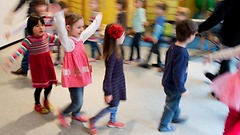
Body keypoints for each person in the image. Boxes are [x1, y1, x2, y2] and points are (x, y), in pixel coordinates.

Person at [51, 4, 102, 127]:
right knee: (77, 101)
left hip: (81, 75)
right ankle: (63, 112)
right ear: (68, 27)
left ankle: (76, 114)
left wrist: (97, 20)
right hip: (73, 77)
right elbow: (62, 32)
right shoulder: (68, 44)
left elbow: (89, 30)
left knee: (81, 99)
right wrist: (59, 16)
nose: (81, 29)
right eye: (78, 27)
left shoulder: (80, 39)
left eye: (82, 27)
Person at [3, 14, 59, 114]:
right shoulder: (29, 40)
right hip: (37, 67)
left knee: (49, 85)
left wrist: (69, 41)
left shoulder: (47, 36)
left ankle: (46, 100)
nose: (41, 27)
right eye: (37, 26)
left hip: (47, 65)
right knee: (39, 87)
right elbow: (19, 51)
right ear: (30, 28)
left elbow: (59, 40)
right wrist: (10, 60)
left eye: (42, 25)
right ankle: (37, 104)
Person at [159, 20, 198, 132]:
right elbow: (178, 73)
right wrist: (182, 88)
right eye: (195, 34)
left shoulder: (172, 47)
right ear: (191, 37)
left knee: (174, 101)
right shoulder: (182, 53)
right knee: (171, 104)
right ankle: (164, 125)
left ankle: (175, 117)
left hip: (167, 81)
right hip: (174, 85)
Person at [88, 23, 126, 135]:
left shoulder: (117, 50)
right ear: (117, 37)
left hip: (119, 82)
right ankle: (93, 120)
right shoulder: (112, 55)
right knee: (112, 106)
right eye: (123, 34)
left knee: (116, 103)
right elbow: (108, 75)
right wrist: (108, 92)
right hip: (112, 85)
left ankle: (112, 121)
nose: (124, 36)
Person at [8, 0, 56, 76]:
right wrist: (11, 32)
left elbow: (58, 25)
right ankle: (26, 69)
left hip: (47, 45)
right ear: (35, 7)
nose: (41, 8)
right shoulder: (32, 19)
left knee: (46, 61)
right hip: (38, 43)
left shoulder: (50, 17)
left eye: (43, 6)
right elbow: (22, 25)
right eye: (39, 6)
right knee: (29, 49)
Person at [198, 0, 240, 81]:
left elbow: (219, 15)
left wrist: (200, 28)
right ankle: (218, 77)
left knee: (225, 59)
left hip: (233, 33)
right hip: (235, 34)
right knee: (226, 59)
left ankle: (220, 88)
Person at [203, 45, 240, 135]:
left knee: (232, 114)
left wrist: (212, 57)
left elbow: (228, 52)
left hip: (237, 87)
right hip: (237, 86)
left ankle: (226, 133)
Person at [140, 2, 167, 71]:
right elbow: (156, 26)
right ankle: (159, 63)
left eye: (157, 8)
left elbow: (159, 28)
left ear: (162, 11)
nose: (155, 10)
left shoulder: (161, 18)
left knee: (153, 50)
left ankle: (151, 63)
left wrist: (155, 37)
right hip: (157, 38)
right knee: (155, 50)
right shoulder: (159, 18)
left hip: (157, 38)